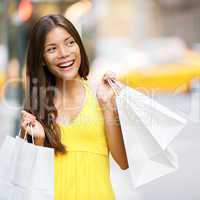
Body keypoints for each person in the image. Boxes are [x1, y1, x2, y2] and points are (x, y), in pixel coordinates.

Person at [20, 14, 128, 200]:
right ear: (42, 59)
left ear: (79, 45)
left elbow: (123, 161)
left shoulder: (101, 95)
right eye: (52, 48)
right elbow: (27, 177)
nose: (64, 53)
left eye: (70, 43)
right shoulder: (37, 105)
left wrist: (108, 106)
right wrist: (37, 141)